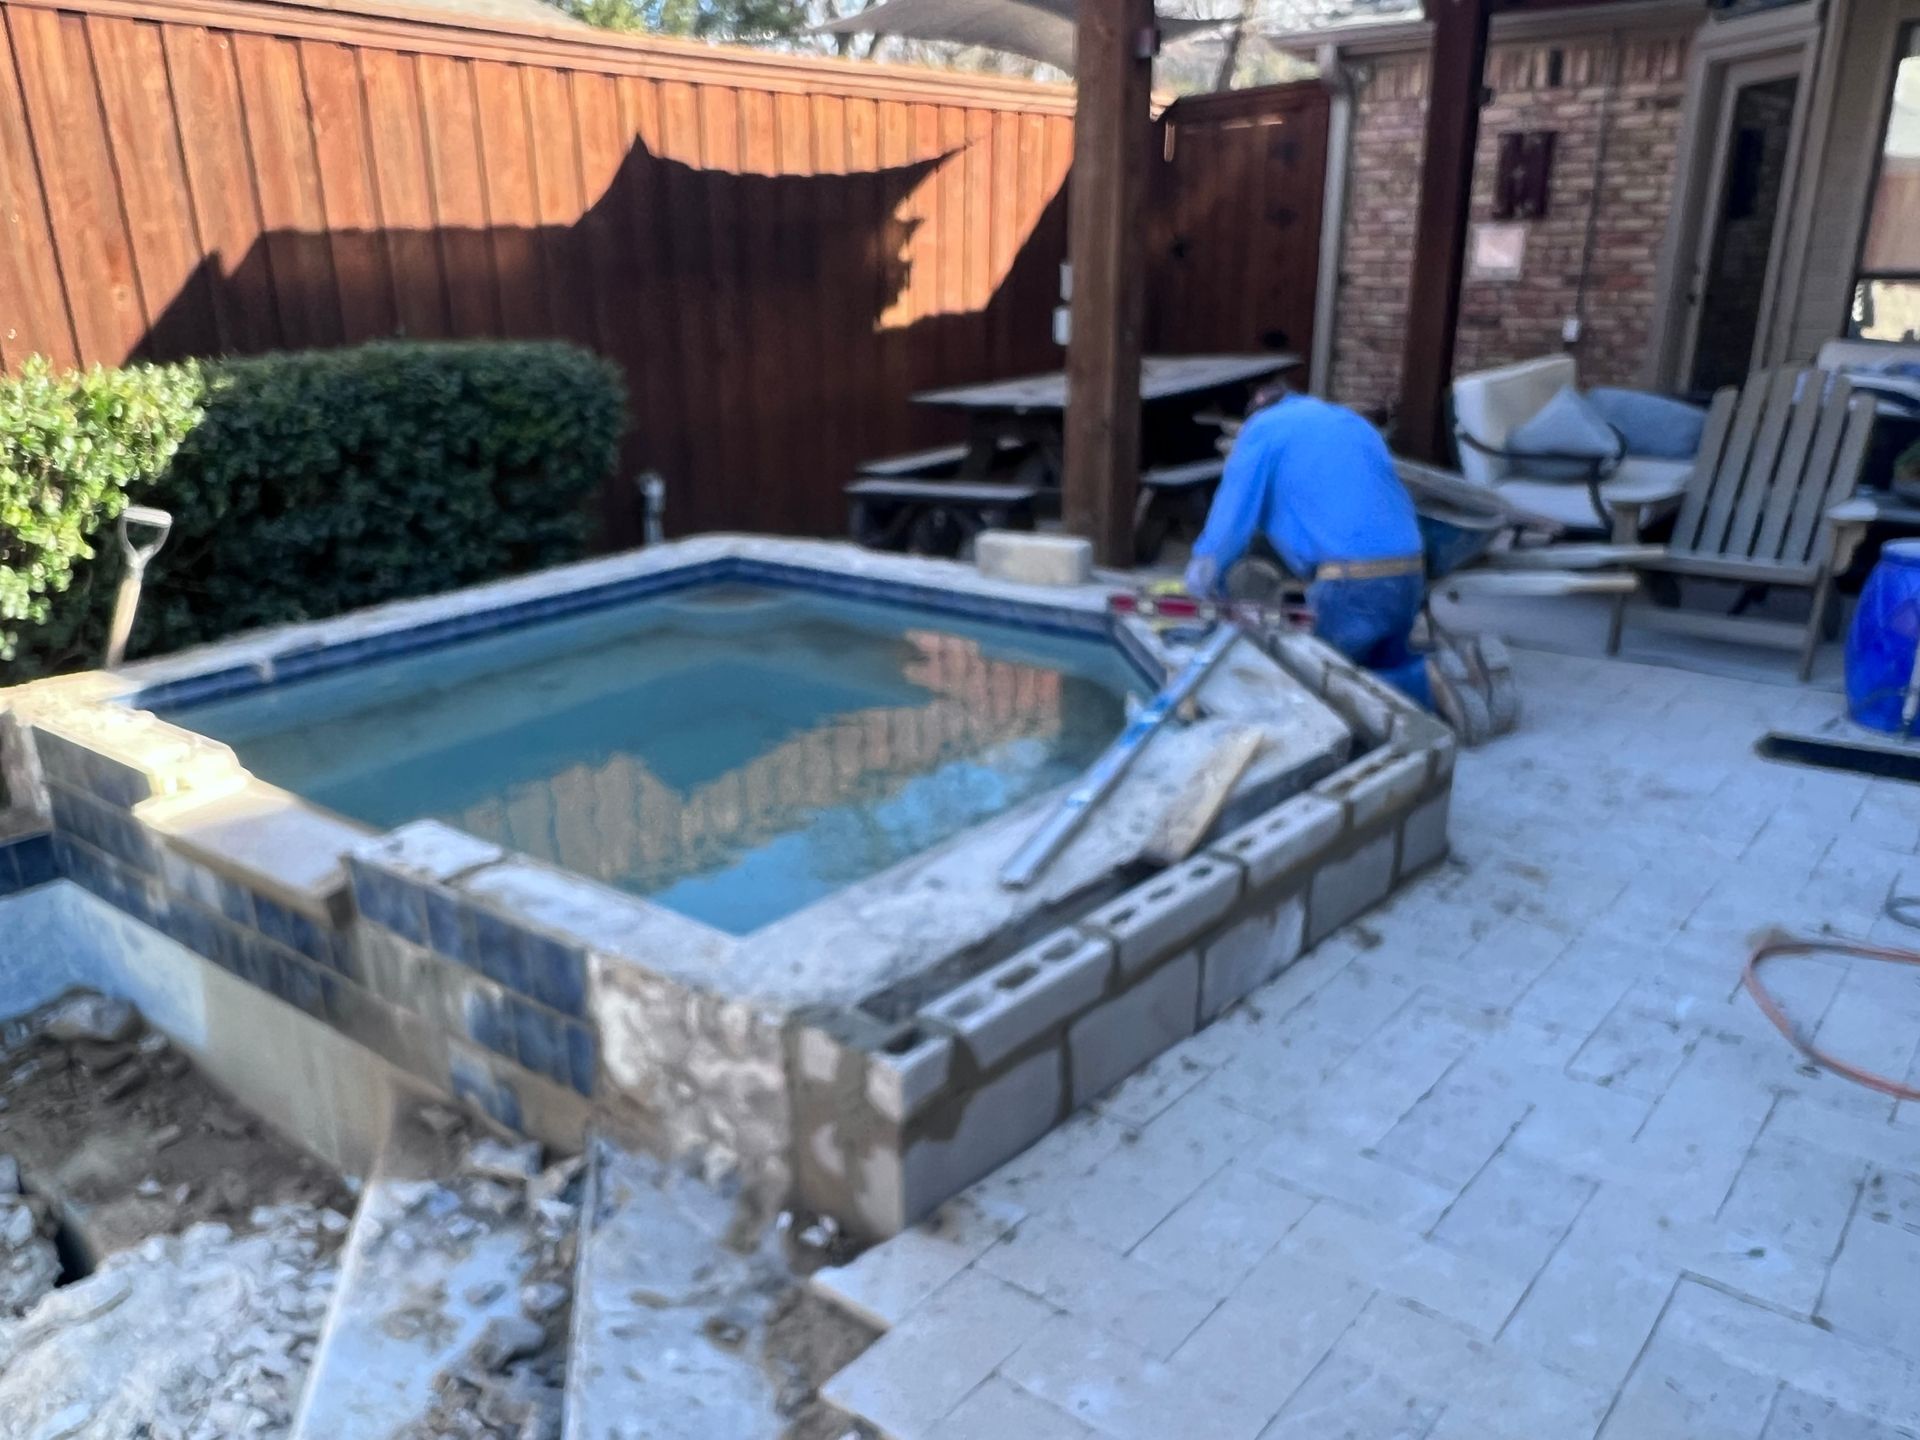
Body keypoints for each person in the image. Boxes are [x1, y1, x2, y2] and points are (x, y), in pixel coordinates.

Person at [1183, 381, 1483, 729]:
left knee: (1315, 685)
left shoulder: (1262, 430)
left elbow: (1231, 517)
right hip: (1410, 571)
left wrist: (1203, 575)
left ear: (1257, 408)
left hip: (1353, 582)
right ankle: (1435, 674)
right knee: (1376, 662)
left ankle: (1423, 682)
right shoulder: (1349, 422)